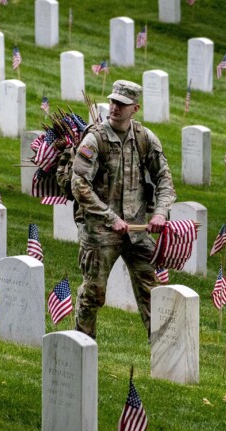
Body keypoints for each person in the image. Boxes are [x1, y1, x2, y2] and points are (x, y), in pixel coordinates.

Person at [71, 79, 176, 339]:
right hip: (101, 232)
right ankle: (82, 347)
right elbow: (79, 184)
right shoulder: (95, 139)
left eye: (122, 104)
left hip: (137, 232)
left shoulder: (144, 138)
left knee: (155, 293)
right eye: (113, 102)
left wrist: (160, 212)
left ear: (135, 108)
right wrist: (110, 217)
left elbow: (164, 178)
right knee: (93, 294)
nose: (115, 107)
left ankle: (163, 351)